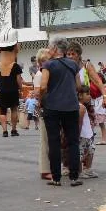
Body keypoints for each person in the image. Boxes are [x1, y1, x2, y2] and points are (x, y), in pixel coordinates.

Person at [40, 37, 82, 187]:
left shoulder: (48, 65)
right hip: (71, 106)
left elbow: (43, 86)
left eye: (50, 47)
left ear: (54, 49)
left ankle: (56, 177)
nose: (48, 50)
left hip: (52, 107)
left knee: (54, 141)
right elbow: (78, 85)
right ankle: (74, 177)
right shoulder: (73, 64)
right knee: (73, 141)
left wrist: (41, 99)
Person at [68, 41, 106, 146]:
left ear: (79, 54)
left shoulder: (86, 65)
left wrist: (105, 96)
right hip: (70, 103)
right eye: (68, 54)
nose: (70, 56)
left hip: (85, 104)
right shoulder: (66, 66)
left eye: (73, 54)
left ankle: (85, 150)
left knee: (86, 133)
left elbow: (98, 81)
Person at [0, 28, 23, 137]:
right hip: (13, 90)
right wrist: (21, 89)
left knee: (3, 111)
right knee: (14, 109)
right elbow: (19, 80)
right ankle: (14, 130)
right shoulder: (15, 66)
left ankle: (4, 131)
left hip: (2, 89)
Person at [32, 48, 51, 180]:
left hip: (49, 107)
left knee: (50, 139)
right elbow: (38, 93)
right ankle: (45, 169)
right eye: (44, 60)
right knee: (45, 139)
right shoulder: (40, 75)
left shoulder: (45, 73)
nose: (47, 63)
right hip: (45, 108)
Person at [76, 85, 98, 179]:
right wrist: (78, 135)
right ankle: (79, 171)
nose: (89, 96)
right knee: (81, 153)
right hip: (83, 135)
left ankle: (88, 169)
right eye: (87, 94)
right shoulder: (81, 108)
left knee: (90, 150)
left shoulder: (83, 107)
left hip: (88, 134)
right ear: (80, 95)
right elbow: (79, 123)